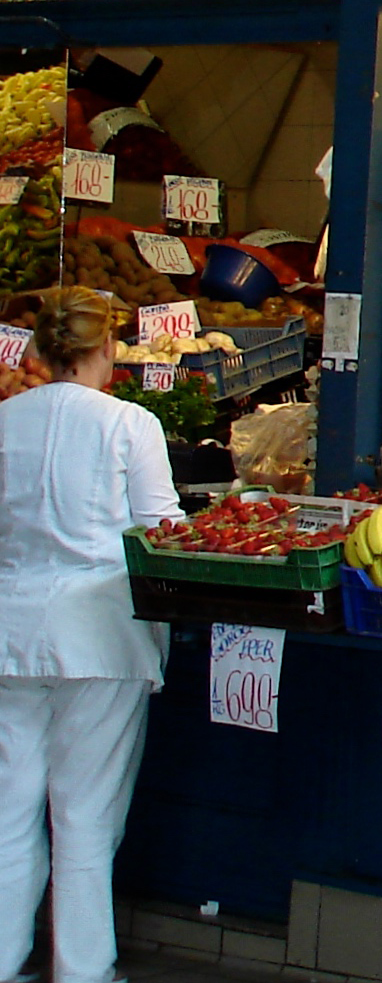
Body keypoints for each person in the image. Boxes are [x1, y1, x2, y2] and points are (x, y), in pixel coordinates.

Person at [0, 286, 182, 983]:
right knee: (85, 815)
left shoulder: (6, 419)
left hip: (12, 632)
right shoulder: (130, 424)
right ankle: (82, 969)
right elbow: (161, 531)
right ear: (107, 346)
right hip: (102, 637)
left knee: (9, 810)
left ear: (42, 350)